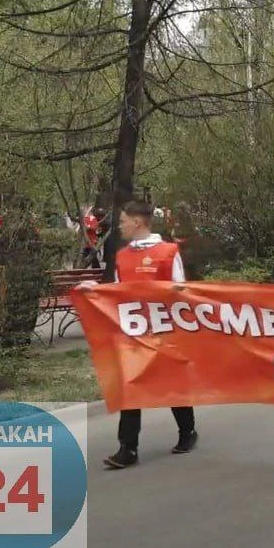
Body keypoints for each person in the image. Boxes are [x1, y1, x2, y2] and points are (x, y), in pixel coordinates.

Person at [75, 200, 198, 469]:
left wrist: (175, 294)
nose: (119, 226)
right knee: (130, 385)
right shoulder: (122, 256)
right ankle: (127, 448)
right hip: (134, 331)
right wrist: (95, 289)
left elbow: (182, 290)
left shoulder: (168, 251)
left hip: (164, 330)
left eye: (122, 221)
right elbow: (118, 291)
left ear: (137, 222)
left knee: (172, 383)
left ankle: (187, 431)